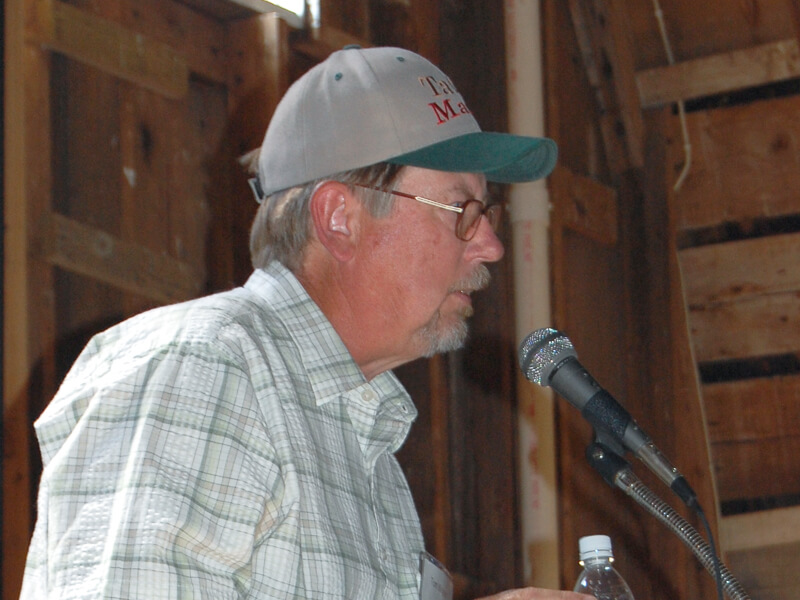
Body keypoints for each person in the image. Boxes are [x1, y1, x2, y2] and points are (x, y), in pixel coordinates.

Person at [20, 46, 590, 600]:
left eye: (488, 213)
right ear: (340, 217)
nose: (490, 246)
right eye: (461, 210)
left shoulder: (366, 445)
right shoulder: (206, 367)